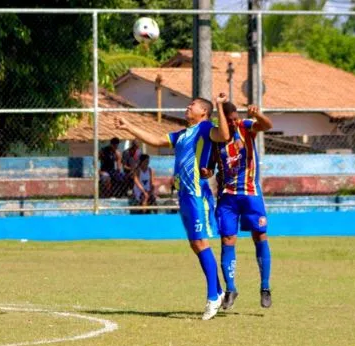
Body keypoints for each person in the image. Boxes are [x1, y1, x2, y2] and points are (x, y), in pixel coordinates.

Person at [115, 94, 230, 320]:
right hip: (184, 195)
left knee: (200, 242)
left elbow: (224, 135)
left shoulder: (206, 128)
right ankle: (217, 291)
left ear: (203, 112)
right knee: (195, 245)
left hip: (197, 194)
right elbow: (156, 140)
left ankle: (212, 297)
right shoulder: (182, 134)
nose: (188, 107)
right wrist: (128, 126)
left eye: (193, 105)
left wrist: (219, 106)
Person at [210, 102, 274, 310]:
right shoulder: (215, 139)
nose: (233, 122)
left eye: (234, 118)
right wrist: (206, 172)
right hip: (227, 197)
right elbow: (210, 168)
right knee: (227, 240)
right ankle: (230, 288)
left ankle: (265, 287)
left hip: (250, 195)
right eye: (228, 120)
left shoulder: (245, 127)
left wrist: (259, 115)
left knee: (259, 236)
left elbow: (267, 126)